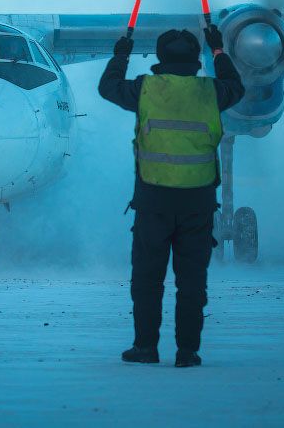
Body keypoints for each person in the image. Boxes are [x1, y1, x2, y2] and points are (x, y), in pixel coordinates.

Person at [98, 24, 244, 367]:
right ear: (196, 58)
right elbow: (237, 87)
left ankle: (146, 348)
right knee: (192, 282)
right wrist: (220, 51)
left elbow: (107, 87)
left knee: (147, 279)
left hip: (153, 202)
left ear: (160, 58)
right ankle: (187, 352)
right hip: (198, 203)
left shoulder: (145, 89)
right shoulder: (212, 92)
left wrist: (121, 53)